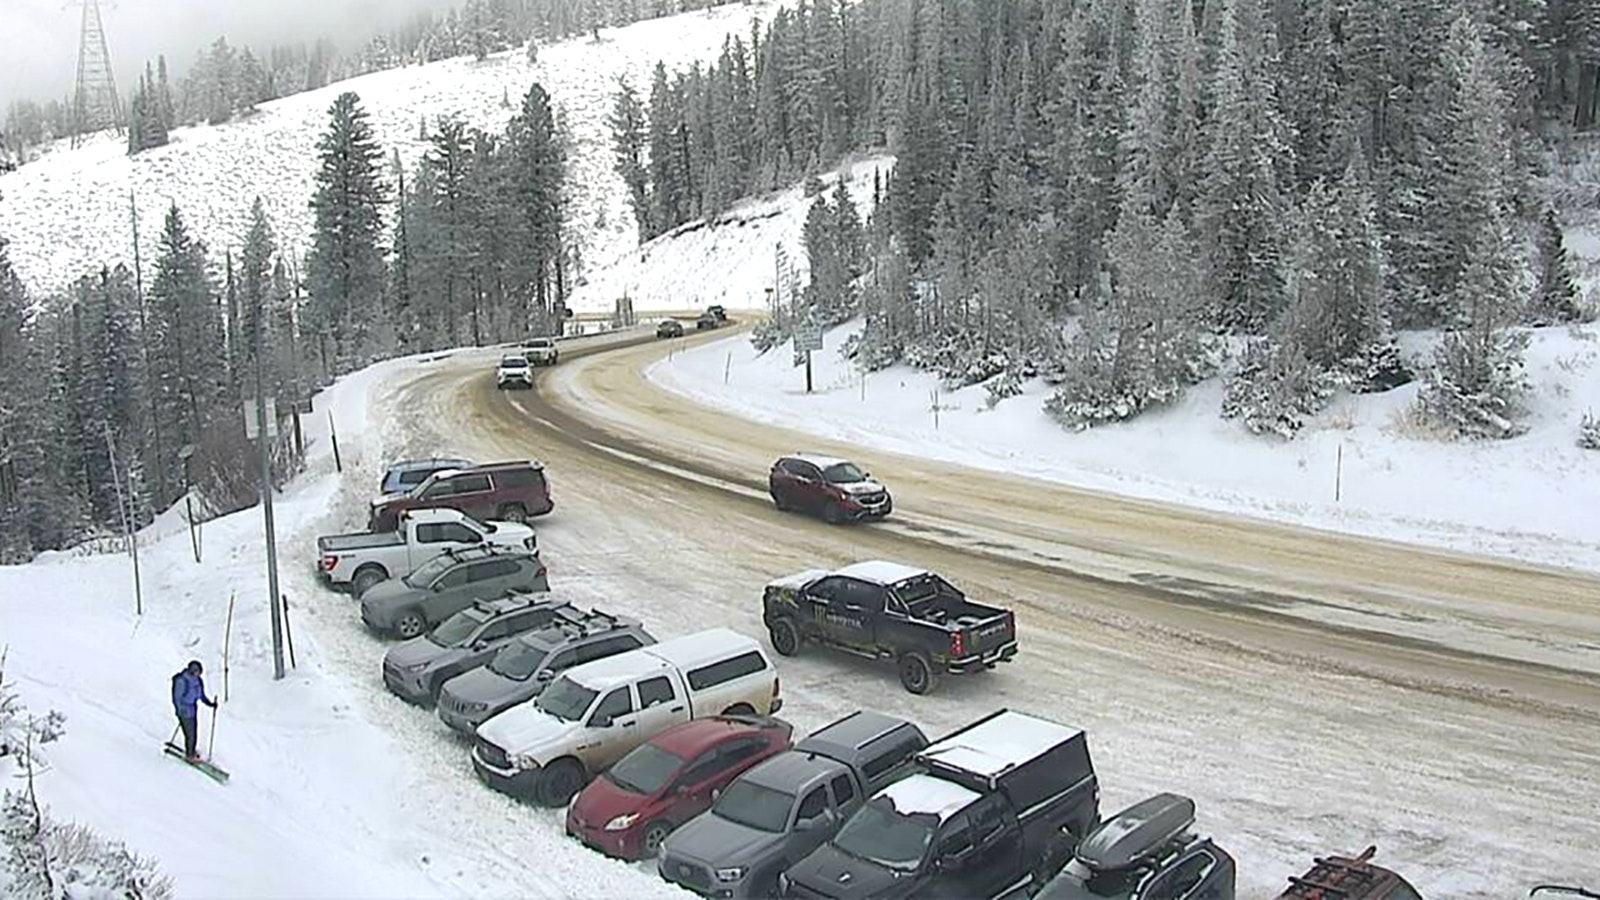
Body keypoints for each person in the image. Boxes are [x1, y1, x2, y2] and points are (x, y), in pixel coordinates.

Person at [171, 660, 217, 762]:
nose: (199, 674)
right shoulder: (182, 680)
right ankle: (189, 755)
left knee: (194, 732)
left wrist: (209, 703)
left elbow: (201, 695)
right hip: (184, 711)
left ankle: (191, 750)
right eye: (197, 671)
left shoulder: (198, 680)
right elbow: (177, 698)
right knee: (190, 734)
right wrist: (180, 710)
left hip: (192, 710)